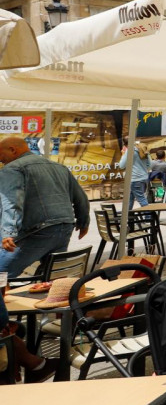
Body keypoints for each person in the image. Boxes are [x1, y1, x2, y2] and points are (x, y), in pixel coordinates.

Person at [0, 136, 90, 332]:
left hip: (37, 230)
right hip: (64, 227)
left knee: (1, 274)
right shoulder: (58, 167)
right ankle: (63, 324)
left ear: (13, 150)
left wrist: (7, 232)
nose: (1, 159)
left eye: (2, 154)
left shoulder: (13, 168)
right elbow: (81, 197)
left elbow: (12, 202)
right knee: (53, 276)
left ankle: (5, 327)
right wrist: (83, 221)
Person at [116, 141, 150, 208]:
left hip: (135, 179)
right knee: (129, 199)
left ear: (125, 145)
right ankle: (128, 216)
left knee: (141, 199)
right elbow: (149, 164)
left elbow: (121, 165)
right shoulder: (142, 149)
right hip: (143, 178)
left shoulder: (130, 151)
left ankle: (149, 216)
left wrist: (123, 154)